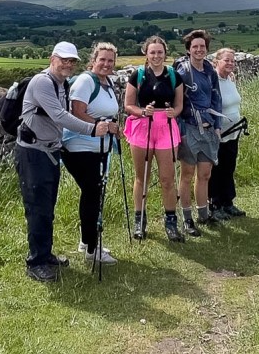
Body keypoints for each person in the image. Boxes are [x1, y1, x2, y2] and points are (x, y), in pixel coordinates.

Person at [15, 41, 117, 282]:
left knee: (47, 207)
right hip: (33, 152)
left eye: (72, 61)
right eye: (64, 60)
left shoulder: (61, 84)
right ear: (53, 58)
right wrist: (93, 129)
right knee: (38, 208)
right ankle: (36, 262)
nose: (68, 64)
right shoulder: (42, 82)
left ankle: (45, 255)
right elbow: (60, 116)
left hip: (49, 151)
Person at [62, 42, 121, 265]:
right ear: (93, 60)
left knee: (93, 194)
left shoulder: (107, 83)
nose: (106, 64)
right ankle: (91, 250)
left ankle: (86, 242)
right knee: (92, 194)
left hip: (99, 147)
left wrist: (112, 127)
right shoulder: (86, 81)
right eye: (102, 59)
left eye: (110, 60)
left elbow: (105, 115)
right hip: (80, 146)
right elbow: (76, 112)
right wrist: (100, 125)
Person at [123, 36, 184, 242]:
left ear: (165, 53)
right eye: (152, 52)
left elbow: (179, 105)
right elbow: (128, 105)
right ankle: (139, 221)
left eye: (160, 52)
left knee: (168, 179)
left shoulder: (174, 76)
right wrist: (142, 111)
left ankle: (171, 222)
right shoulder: (138, 75)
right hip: (142, 126)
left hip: (166, 127)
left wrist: (174, 113)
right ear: (146, 54)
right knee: (142, 178)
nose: (156, 56)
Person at [174, 29, 222, 236]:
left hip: (209, 128)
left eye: (202, 46)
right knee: (186, 175)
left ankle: (203, 214)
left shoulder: (210, 71)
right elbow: (176, 102)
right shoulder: (183, 72)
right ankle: (187, 219)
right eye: (195, 46)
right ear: (188, 50)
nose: (199, 50)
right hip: (189, 128)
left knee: (205, 174)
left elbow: (216, 98)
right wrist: (180, 131)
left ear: (207, 49)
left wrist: (218, 125)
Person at [209, 48, 247, 221]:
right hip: (217, 134)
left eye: (233, 61)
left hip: (233, 133)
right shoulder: (212, 81)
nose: (230, 63)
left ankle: (228, 202)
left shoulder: (230, 79)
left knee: (229, 167)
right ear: (216, 61)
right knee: (216, 170)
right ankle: (214, 205)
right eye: (226, 60)